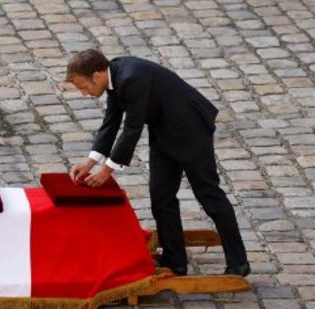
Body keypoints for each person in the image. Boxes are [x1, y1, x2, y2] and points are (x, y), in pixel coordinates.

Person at [66, 49, 250, 277]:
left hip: (190, 128)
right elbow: (111, 122)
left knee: (209, 195)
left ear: (96, 75)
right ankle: (174, 261)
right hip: (164, 132)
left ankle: (238, 262)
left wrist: (107, 170)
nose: (83, 93)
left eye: (83, 87)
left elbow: (132, 129)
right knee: (161, 196)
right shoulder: (113, 78)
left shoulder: (130, 78)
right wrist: (90, 161)